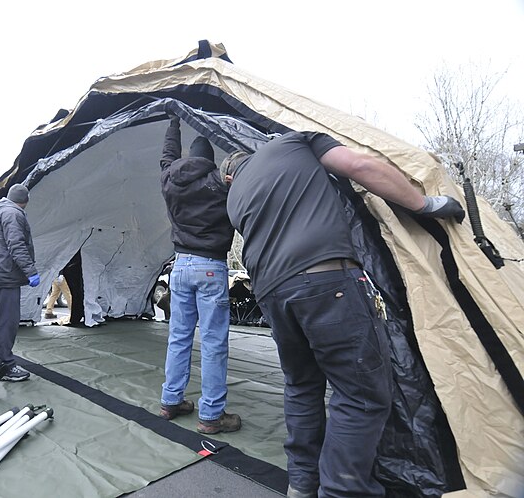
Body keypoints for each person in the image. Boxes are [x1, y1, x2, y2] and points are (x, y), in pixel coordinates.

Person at [220, 132, 465, 497]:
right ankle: (340, 491)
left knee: (301, 387)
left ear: (228, 178)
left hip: (272, 295)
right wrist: (424, 204)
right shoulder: (294, 142)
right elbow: (360, 165)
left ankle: (301, 485)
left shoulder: (234, 199)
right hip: (325, 280)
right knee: (361, 394)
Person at [157, 113, 241, 435]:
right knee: (213, 342)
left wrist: (174, 124)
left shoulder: (169, 180)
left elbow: (167, 156)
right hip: (210, 268)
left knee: (179, 337)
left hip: (180, 266)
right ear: (211, 162)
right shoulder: (221, 186)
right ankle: (211, 415)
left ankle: (170, 401)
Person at [0, 183, 40, 382]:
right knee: (6, 323)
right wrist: (30, 271)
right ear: (25, 201)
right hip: (6, 276)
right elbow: (16, 245)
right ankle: (4, 366)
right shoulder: (14, 214)